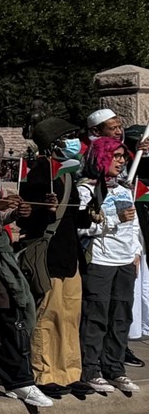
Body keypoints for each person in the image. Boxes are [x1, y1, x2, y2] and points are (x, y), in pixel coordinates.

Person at [19, 116, 94, 398]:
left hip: (70, 255)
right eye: (69, 137)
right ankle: (45, 372)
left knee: (71, 315)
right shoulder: (40, 173)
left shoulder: (67, 173)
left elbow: (72, 217)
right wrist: (44, 211)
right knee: (49, 315)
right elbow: (28, 218)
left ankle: (71, 372)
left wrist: (91, 213)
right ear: (54, 144)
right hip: (48, 255)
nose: (76, 141)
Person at [79, 136, 141, 396]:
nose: (121, 161)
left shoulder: (125, 188)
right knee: (97, 316)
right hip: (101, 261)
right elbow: (82, 226)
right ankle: (90, 369)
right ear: (101, 157)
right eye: (115, 156)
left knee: (121, 315)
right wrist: (113, 219)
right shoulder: (87, 189)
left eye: (123, 156)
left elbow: (134, 224)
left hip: (125, 261)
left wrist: (136, 251)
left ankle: (114, 367)